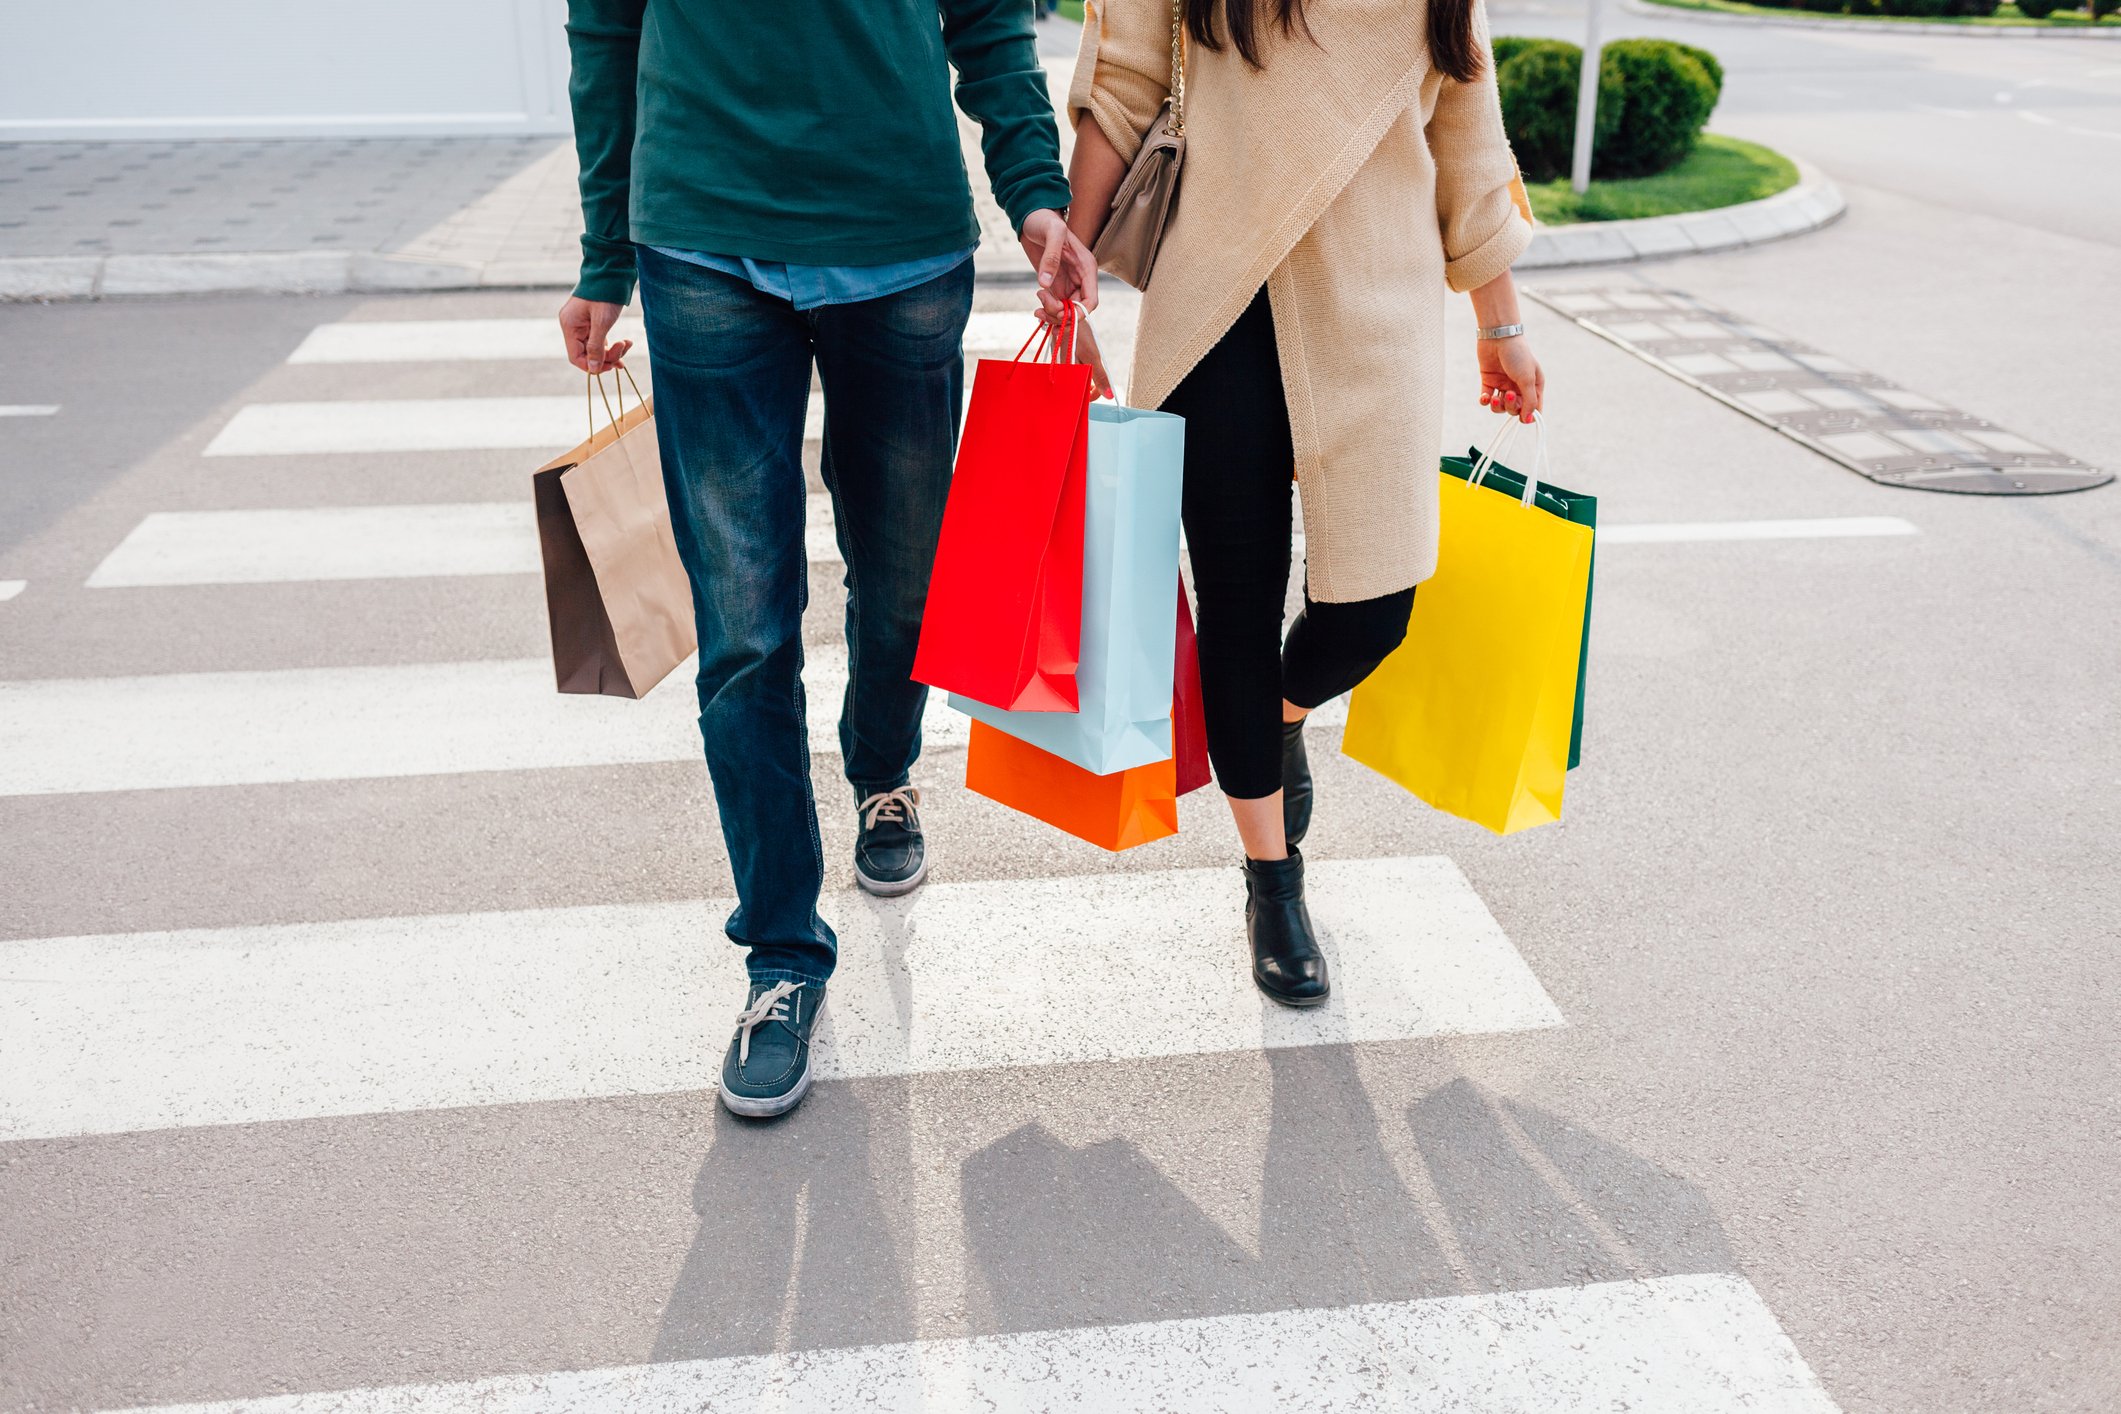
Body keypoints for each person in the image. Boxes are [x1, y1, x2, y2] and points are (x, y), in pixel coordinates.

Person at [559, 0, 1097, 1118]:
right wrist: (604, 251)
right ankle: (782, 956)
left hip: (901, 242)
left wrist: (1034, 196)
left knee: (905, 580)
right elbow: (605, 30)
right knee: (745, 632)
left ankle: (882, 770)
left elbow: (990, 20)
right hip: (703, 237)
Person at [1065, 0, 1543, 1006]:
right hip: (1218, 296)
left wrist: (1500, 326)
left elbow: (1467, 133)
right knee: (1237, 612)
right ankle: (1271, 881)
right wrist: (1072, 258)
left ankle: (1278, 717)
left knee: (1375, 612)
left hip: (1378, 306)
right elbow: (1124, 84)